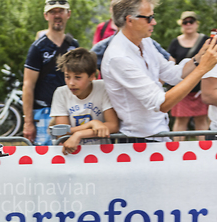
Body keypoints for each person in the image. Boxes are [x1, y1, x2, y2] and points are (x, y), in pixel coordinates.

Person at [101, 0, 217, 144]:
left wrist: (198, 58)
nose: (154, 22)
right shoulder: (118, 57)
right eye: (149, 18)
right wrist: (202, 69)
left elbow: (172, 74)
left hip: (155, 134)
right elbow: (161, 104)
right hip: (139, 140)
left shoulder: (144, 41)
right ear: (130, 20)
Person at [23, 0, 78, 146]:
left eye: (61, 11)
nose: (57, 15)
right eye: (53, 12)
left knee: (70, 155)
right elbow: (28, 86)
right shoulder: (37, 47)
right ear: (46, 16)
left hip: (70, 111)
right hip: (43, 112)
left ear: (68, 14)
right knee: (43, 159)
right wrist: (28, 122)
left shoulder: (74, 45)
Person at [51, 48, 119, 155]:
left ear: (92, 76)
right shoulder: (61, 93)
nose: (71, 83)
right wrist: (92, 124)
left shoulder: (103, 88)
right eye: (67, 77)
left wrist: (79, 134)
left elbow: (113, 125)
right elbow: (61, 132)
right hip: (73, 154)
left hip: (102, 154)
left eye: (78, 77)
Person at [168, 11, 210, 141]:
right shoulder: (175, 42)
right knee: (180, 121)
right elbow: (170, 65)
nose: (188, 24)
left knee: (202, 121)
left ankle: (203, 153)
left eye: (191, 21)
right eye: (185, 22)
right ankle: (176, 153)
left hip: (200, 89)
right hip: (182, 88)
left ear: (196, 24)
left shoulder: (205, 40)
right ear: (182, 24)